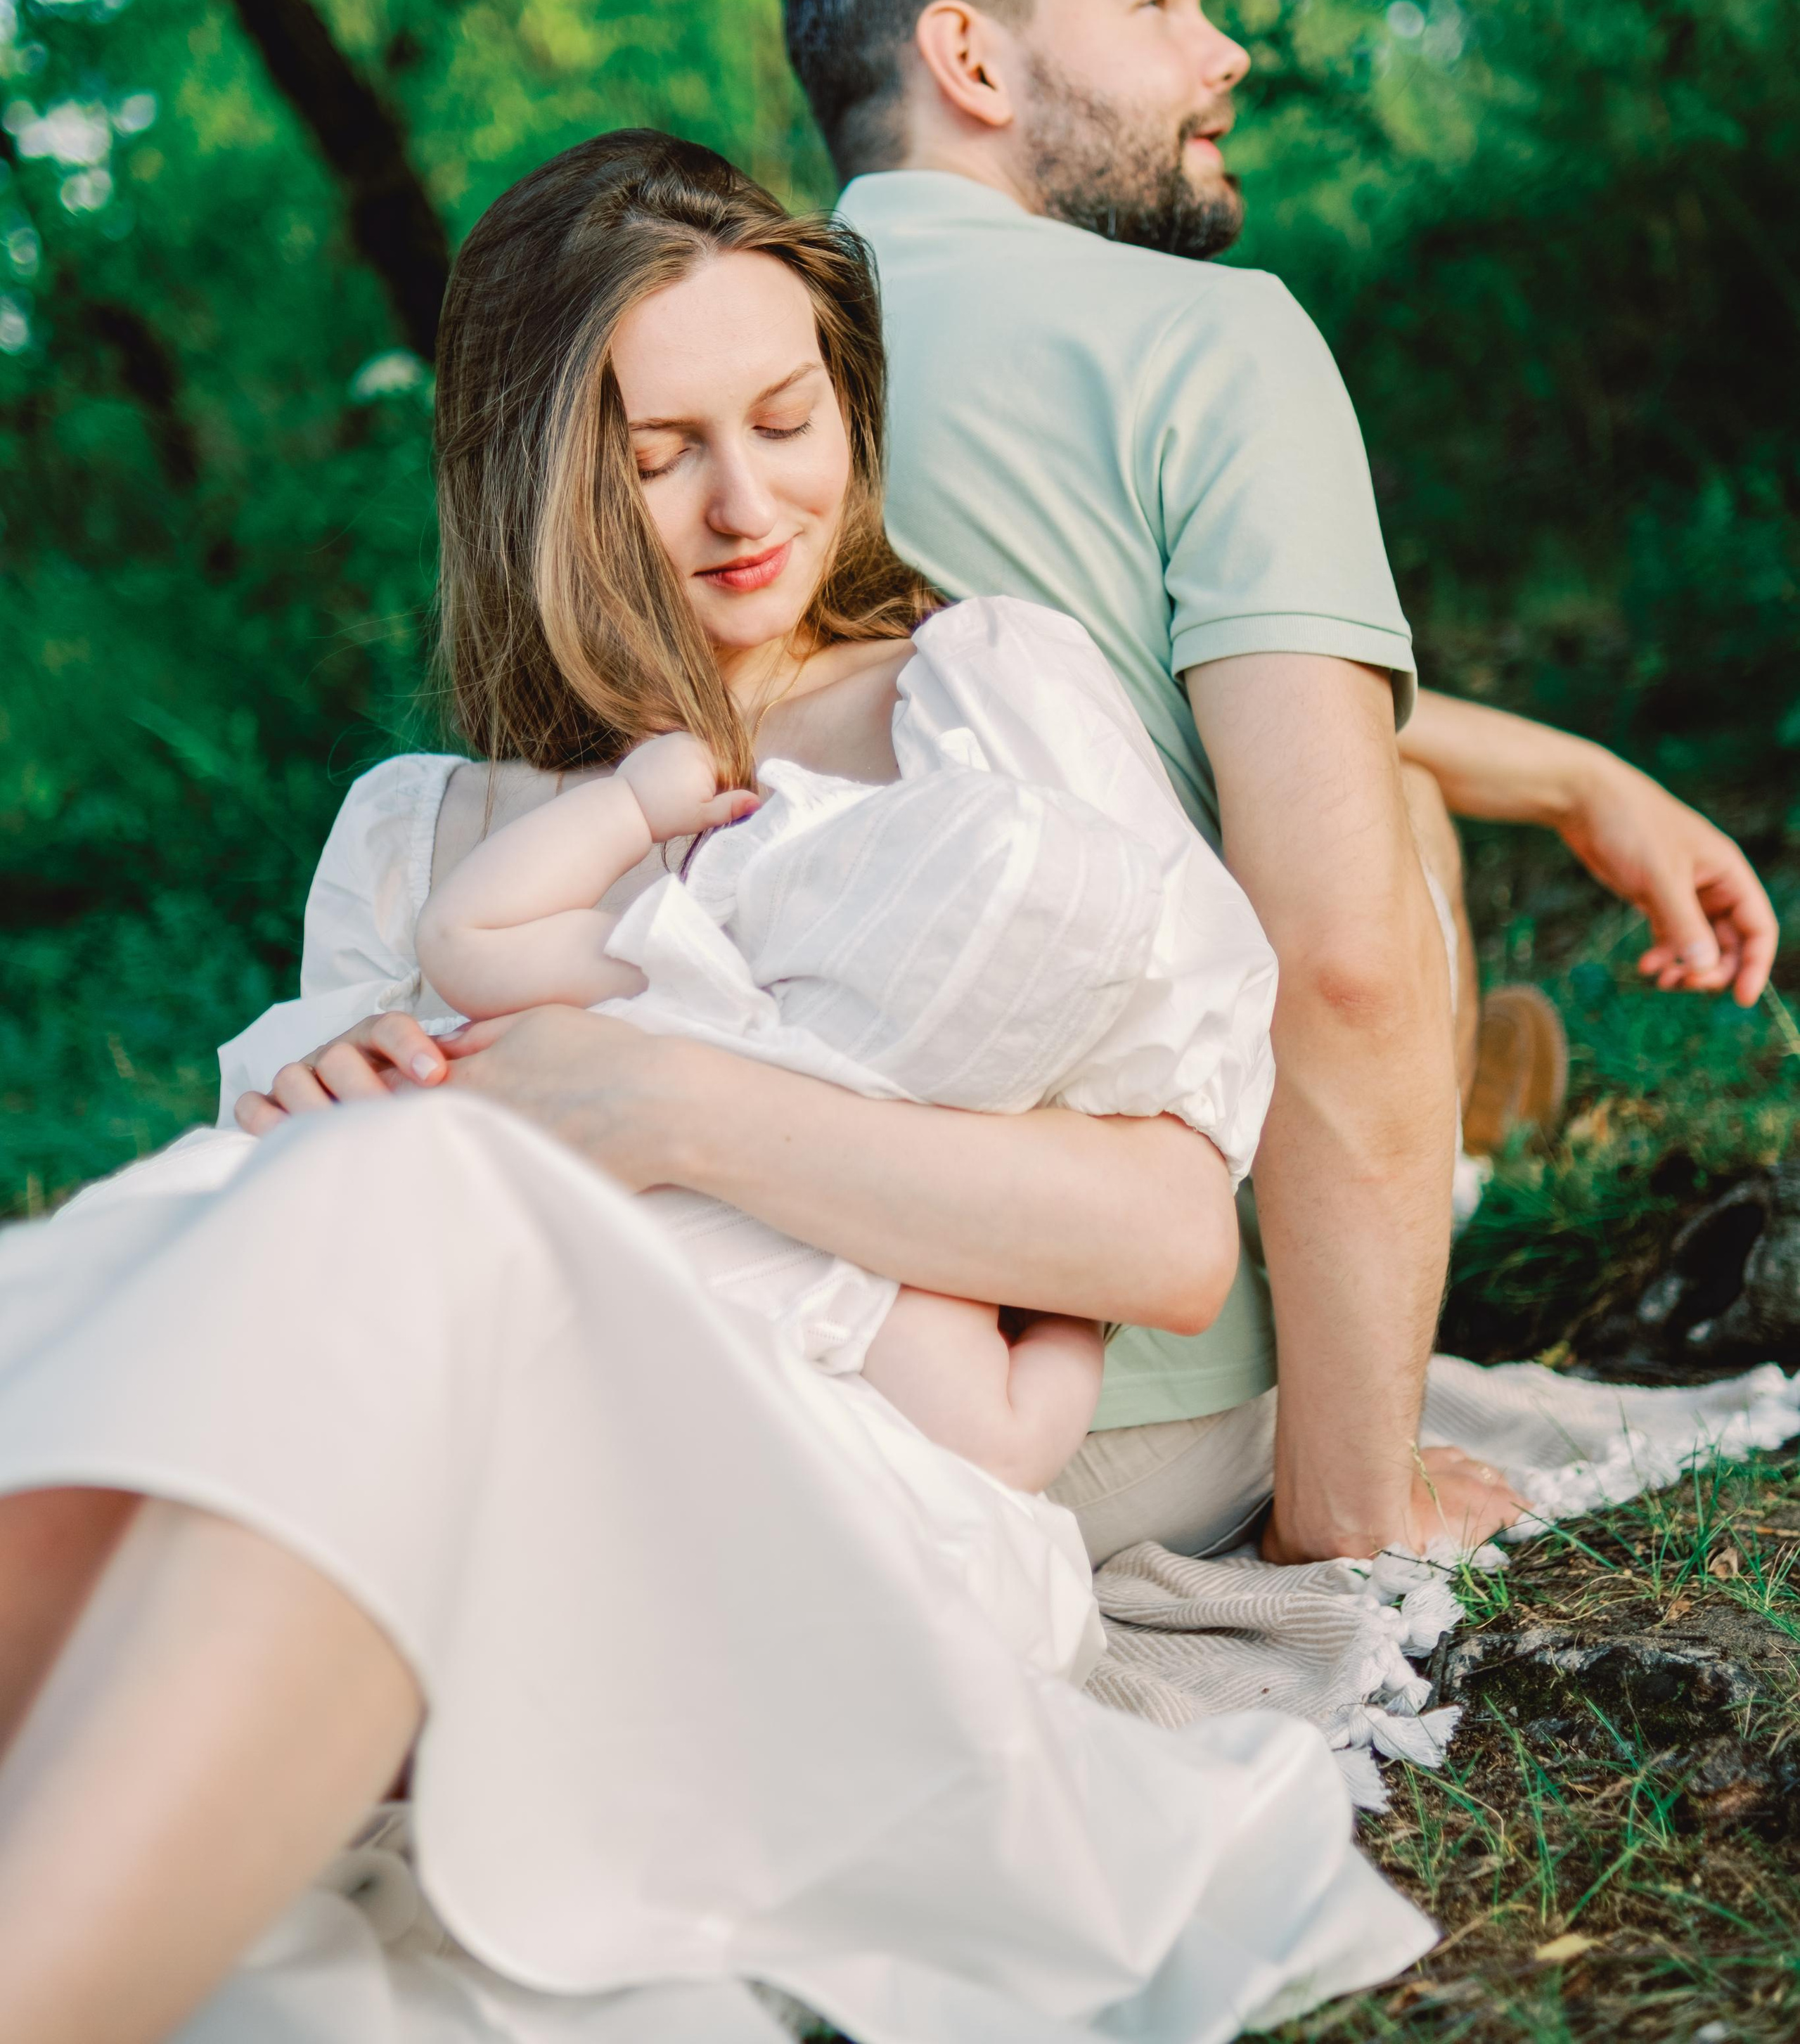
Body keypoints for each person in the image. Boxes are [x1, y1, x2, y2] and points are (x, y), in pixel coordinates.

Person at [0, 131, 1429, 2044]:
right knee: (230, 1267)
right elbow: (292, 1187)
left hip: (801, 1480)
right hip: (439, 1382)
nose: (747, 503)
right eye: (659, 452)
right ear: (534, 475)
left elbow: (1168, 1236)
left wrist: (662, 1105)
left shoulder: (977, 709)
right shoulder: (425, 831)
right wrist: (320, 1078)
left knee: (408, 1221)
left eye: (787, 415)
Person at [774, 0, 1781, 1573]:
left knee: (1341, 765)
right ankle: (1451, 1156)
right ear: (973, 62)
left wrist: (1567, 771)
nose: (1220, 46)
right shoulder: (1207, 339)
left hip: (794, 1366)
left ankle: (1465, 1129)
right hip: (1127, 1420)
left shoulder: (707, 363)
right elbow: (1329, 952)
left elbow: (1071, 695)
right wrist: (1355, 1487)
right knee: (1370, 821)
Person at [413, 592, 1276, 1487]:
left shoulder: (714, 972)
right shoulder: (917, 1277)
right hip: (579, 1414)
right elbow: (1007, 1441)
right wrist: (1061, 1312)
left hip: (527, 1377)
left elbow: (464, 940)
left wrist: (632, 811)